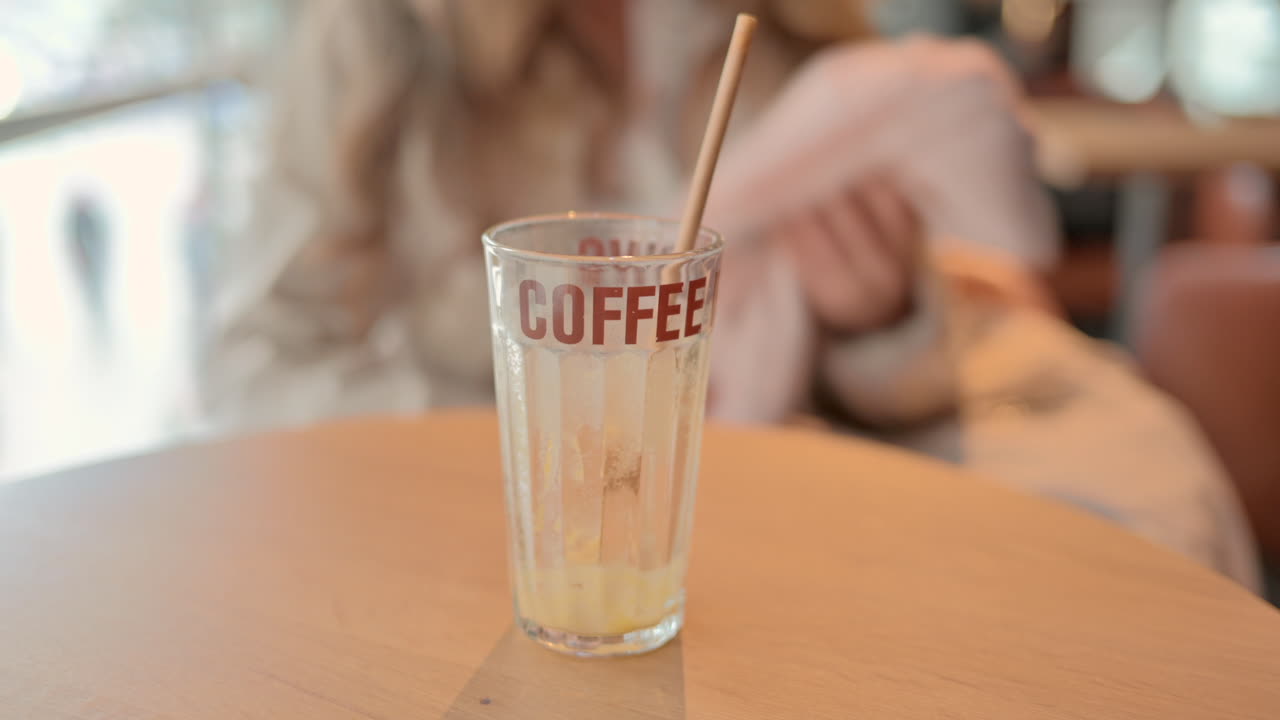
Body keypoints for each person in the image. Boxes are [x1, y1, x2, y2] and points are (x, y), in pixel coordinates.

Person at [205, 0, 1260, 590]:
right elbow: (254, 361)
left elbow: (931, 339)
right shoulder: (380, 39)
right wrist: (526, 450)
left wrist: (870, 314)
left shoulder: (784, 26)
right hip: (495, 525)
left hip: (783, 480)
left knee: (1108, 557)